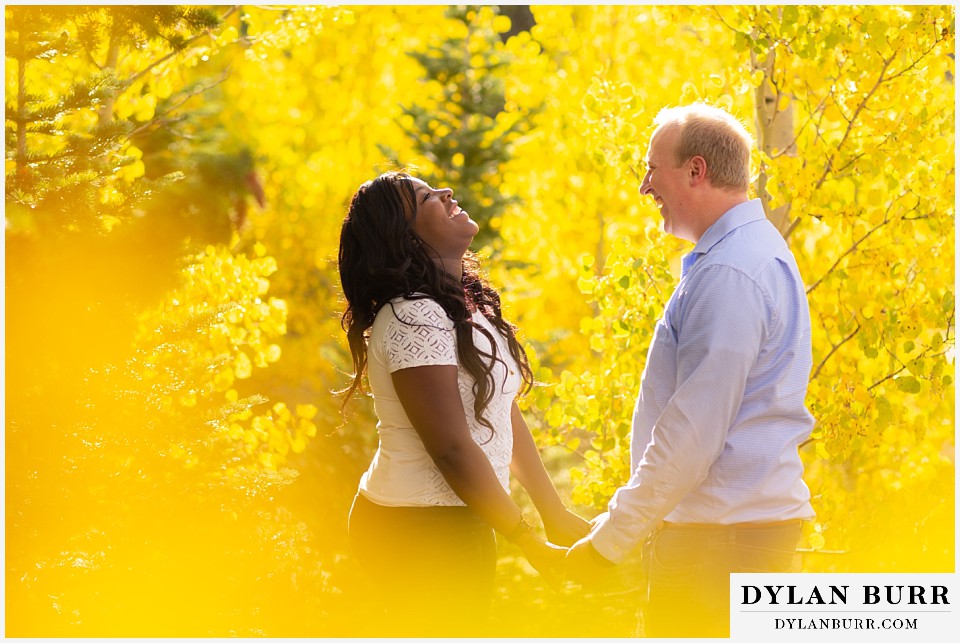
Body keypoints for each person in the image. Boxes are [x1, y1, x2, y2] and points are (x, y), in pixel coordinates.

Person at [563, 103, 816, 638]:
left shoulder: (729, 271)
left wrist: (610, 541)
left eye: (652, 169)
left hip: (718, 550)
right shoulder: (750, 252)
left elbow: (692, 436)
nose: (643, 187)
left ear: (695, 171)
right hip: (736, 541)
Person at [338, 171, 590, 636]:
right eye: (426, 197)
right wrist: (528, 541)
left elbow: (499, 411)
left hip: (453, 517)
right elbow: (451, 450)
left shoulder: (461, 304)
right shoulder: (413, 315)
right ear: (405, 235)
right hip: (417, 527)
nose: (447, 192)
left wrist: (552, 510)